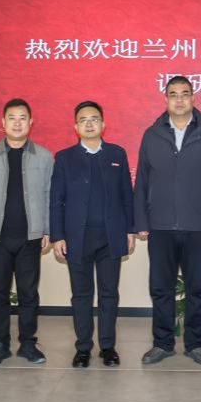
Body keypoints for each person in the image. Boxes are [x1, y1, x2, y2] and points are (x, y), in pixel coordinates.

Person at [135, 76, 201, 366]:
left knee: (196, 288)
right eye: (173, 94)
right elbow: (142, 180)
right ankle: (162, 344)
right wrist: (141, 220)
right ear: (165, 99)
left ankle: (195, 345)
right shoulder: (152, 134)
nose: (179, 100)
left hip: (197, 225)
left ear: (193, 98)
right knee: (160, 288)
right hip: (160, 224)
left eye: (184, 94)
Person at [50, 101, 135, 368]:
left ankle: (108, 347)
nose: (89, 124)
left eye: (94, 119)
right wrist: (57, 235)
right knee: (81, 295)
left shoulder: (117, 154)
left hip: (110, 236)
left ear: (103, 124)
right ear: (75, 127)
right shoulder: (64, 158)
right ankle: (83, 348)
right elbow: (56, 200)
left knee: (109, 294)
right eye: (83, 120)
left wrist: (130, 230)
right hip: (77, 238)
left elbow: (127, 195)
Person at [0, 98, 52, 367]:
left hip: (30, 237)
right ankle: (0, 344)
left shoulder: (44, 157)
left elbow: (50, 196)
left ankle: (28, 344)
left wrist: (48, 229)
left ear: (31, 122)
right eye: (12, 118)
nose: (17, 123)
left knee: (29, 293)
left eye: (22, 118)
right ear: (3, 122)